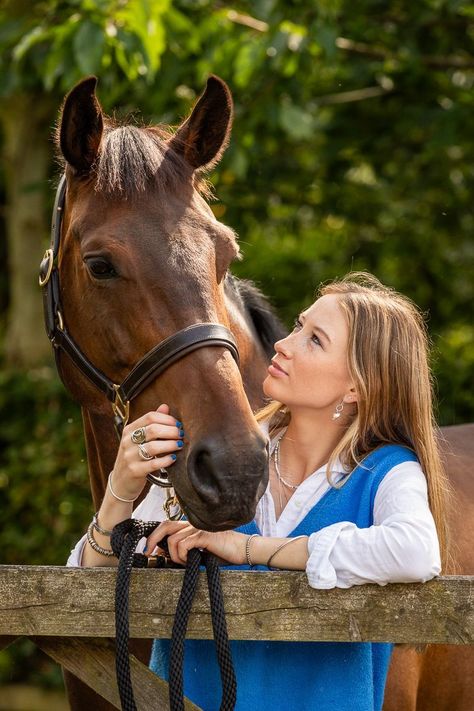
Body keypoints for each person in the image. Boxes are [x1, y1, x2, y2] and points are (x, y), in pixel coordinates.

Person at [68, 272, 447, 711]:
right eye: (298, 326)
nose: (284, 343)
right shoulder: (214, 459)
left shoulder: (389, 473)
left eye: (315, 340)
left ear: (357, 387)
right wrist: (120, 488)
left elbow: (417, 553)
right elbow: (86, 583)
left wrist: (247, 547)